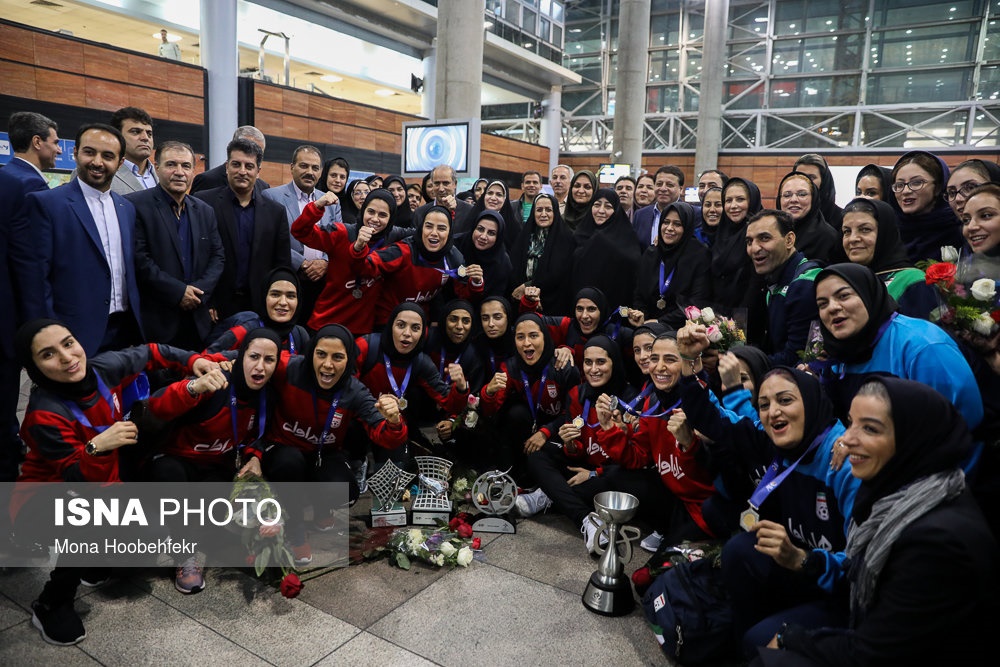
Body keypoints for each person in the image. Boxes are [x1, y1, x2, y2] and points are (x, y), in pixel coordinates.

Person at [757, 377, 998, 666]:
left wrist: (789, 638)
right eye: (850, 423)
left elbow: (872, 653)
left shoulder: (937, 541)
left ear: (912, 439)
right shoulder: (895, 492)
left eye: (870, 428)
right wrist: (807, 562)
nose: (845, 440)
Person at [12, 318, 210, 645]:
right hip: (42, 500)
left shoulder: (103, 367)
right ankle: (52, 601)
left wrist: (194, 360)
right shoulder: (43, 413)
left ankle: (93, 560)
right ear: (33, 367)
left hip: (99, 479)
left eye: (68, 342)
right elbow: (76, 478)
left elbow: (153, 351)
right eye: (48, 354)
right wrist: (97, 446)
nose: (66, 357)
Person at [675, 328, 860, 657]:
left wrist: (803, 560)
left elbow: (862, 569)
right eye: (764, 404)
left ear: (813, 401)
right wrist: (690, 361)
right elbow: (711, 416)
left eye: (786, 400)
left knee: (759, 639)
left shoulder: (844, 462)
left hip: (841, 595)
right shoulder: (773, 437)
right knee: (740, 550)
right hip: (799, 567)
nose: (773, 411)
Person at [145, 329, 281, 594]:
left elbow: (262, 435)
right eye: (253, 357)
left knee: (217, 501)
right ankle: (184, 555)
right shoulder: (216, 380)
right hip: (174, 460)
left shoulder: (267, 395)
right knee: (169, 477)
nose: (260, 367)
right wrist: (192, 388)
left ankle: (198, 536)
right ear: (240, 357)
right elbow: (156, 406)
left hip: (216, 464)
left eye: (269, 360)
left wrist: (255, 456)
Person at [262, 324, 408, 563]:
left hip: (321, 454)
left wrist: (394, 422)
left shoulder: (355, 390)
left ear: (348, 360)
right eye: (321, 354)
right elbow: (252, 355)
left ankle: (320, 507)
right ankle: (295, 529)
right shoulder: (289, 367)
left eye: (337, 357)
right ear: (311, 354)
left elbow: (386, 436)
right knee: (289, 463)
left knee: (345, 489)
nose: (328, 364)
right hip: (281, 451)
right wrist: (209, 361)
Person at [812, 263, 983, 434]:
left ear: (869, 294)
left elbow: (960, 421)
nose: (832, 308)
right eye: (822, 304)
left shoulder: (923, 345)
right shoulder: (839, 355)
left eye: (843, 296)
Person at [23, 123, 144, 355]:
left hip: (125, 330)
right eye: (90, 152)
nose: (97, 162)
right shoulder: (47, 204)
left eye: (108, 156)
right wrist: (51, 332)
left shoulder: (126, 207)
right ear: (76, 152)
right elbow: (36, 279)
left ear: (119, 163)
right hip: (73, 332)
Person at [595, 332, 718, 551]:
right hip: (673, 495)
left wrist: (690, 443)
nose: (659, 367)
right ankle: (664, 528)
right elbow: (637, 457)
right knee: (613, 476)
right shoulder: (653, 402)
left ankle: (686, 537)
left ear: (686, 365)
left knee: (646, 578)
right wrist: (608, 428)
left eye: (670, 360)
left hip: (701, 505)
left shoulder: (701, 403)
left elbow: (711, 470)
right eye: (655, 358)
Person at [516, 336, 630, 539]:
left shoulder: (630, 398)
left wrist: (594, 474)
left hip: (609, 473)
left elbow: (633, 459)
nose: (593, 369)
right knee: (536, 455)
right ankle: (586, 518)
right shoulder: (578, 393)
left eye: (601, 362)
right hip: (582, 464)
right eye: (588, 362)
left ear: (615, 362)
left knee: (611, 484)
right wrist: (569, 443)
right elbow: (577, 451)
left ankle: (551, 494)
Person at [0, 111, 60, 481]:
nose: (57, 149)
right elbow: (31, 263)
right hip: (12, 315)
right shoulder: (30, 187)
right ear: (37, 142)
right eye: (54, 141)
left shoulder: (4, 178)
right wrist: (41, 326)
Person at [130, 140, 225, 350]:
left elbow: (217, 257)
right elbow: (139, 259)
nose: (179, 172)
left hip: (197, 319)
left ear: (193, 171)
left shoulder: (205, 210)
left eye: (186, 166)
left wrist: (198, 292)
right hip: (157, 320)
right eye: (171, 164)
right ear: (156, 167)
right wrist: (178, 292)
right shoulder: (135, 205)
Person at [193, 137, 292, 321]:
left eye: (249, 166)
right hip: (215, 307)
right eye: (236, 164)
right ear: (226, 167)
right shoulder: (204, 203)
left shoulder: (275, 212)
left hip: (259, 305)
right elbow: (198, 257)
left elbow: (281, 264)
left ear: (258, 171)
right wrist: (207, 299)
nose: (242, 171)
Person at [479, 313, 580, 482]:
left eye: (533, 335)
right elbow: (490, 412)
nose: (527, 343)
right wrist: (488, 392)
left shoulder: (563, 367)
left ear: (545, 337)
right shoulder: (511, 367)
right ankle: (510, 477)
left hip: (559, 431)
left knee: (543, 458)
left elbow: (574, 415)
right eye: (520, 337)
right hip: (529, 427)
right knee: (515, 414)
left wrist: (546, 432)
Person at [351, 204, 484, 327]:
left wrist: (476, 282)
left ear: (449, 232)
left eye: (442, 228)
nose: (434, 233)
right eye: (429, 226)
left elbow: (465, 296)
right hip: (387, 323)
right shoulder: (402, 251)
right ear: (421, 228)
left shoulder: (454, 258)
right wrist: (358, 248)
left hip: (419, 325)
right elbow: (364, 268)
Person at [291, 188, 395, 334]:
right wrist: (317, 206)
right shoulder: (341, 233)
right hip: (326, 323)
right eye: (371, 212)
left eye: (383, 215)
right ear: (363, 210)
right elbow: (299, 231)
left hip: (362, 331)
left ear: (391, 219)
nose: (375, 219)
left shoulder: (393, 246)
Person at [262, 145, 332, 320]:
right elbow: (271, 241)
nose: (310, 172)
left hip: (323, 282)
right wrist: (303, 264)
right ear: (291, 167)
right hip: (289, 279)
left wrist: (324, 262)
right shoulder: (271, 196)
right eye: (304, 166)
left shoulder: (331, 201)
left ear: (321, 172)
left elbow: (337, 240)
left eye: (315, 168)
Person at [744, 210, 822, 365]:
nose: (754, 248)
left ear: (789, 240)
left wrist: (744, 363)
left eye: (764, 238)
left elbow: (797, 357)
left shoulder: (804, 283)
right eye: (749, 241)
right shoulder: (776, 281)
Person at [838, 197, 936, 318]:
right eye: (847, 231)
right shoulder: (845, 281)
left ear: (885, 233)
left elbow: (923, 334)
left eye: (865, 230)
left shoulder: (913, 281)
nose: (853, 239)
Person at [633, 200, 711, 328]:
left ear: (687, 227)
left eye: (677, 224)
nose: (669, 228)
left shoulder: (699, 255)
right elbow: (639, 293)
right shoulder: (652, 252)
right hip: (647, 325)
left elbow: (696, 302)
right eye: (665, 222)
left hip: (681, 328)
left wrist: (659, 323)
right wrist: (642, 315)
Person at [206, 268, 310, 361]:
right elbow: (203, 361)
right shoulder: (243, 331)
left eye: (290, 296)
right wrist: (221, 366)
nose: (283, 302)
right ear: (264, 297)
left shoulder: (299, 335)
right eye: (275, 294)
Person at [571, 188, 643, 310]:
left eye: (608, 207)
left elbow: (632, 268)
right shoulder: (580, 234)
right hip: (581, 308)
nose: (601, 211)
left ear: (616, 210)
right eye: (597, 205)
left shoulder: (626, 237)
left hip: (614, 310)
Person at [509, 193, 577, 316]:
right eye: (539, 210)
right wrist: (523, 292)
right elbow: (513, 266)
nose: (543, 214)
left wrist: (529, 287)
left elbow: (558, 272)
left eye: (548, 210)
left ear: (555, 212)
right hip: (522, 302)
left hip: (552, 303)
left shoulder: (566, 238)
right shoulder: (524, 235)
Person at [891, 150, 959, 262]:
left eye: (917, 182)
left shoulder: (958, 229)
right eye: (899, 185)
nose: (906, 191)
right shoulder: (889, 231)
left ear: (938, 187)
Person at [711, 177, 763, 311]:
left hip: (748, 313)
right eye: (728, 200)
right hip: (718, 314)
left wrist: (738, 321)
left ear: (752, 201)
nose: (733, 206)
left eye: (740, 199)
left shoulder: (760, 234)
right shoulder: (720, 232)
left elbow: (756, 283)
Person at [776, 171, 841, 265]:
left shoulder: (827, 237)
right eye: (787, 195)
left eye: (802, 194)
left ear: (813, 198)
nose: (794, 200)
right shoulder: (772, 231)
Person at [190, 126, 270, 194]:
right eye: (246, 148)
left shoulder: (264, 187)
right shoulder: (207, 180)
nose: (252, 153)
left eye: (258, 152)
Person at [456, 210, 512, 299]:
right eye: (480, 229)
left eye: (491, 233)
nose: (483, 236)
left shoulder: (503, 263)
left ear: (498, 238)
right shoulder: (456, 245)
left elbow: (496, 299)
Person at [108, 107, 157, 195]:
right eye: (135, 132)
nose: (145, 138)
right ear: (117, 137)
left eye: (149, 133)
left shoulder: (162, 174)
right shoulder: (104, 174)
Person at [633, 165, 685, 246]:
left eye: (669, 185)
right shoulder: (640, 215)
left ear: (681, 189)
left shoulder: (693, 214)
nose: (663, 189)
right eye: (659, 184)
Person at [413, 165, 474, 234]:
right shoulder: (420, 213)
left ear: (455, 184)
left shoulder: (469, 211)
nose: (441, 189)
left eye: (446, 183)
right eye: (437, 183)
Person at [465, 179, 522, 251]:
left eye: (499, 194)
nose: (493, 198)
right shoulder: (471, 218)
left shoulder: (513, 227)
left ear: (505, 199)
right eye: (490, 193)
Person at [793, 154, 842, 230]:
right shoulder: (786, 216)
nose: (805, 181)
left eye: (811, 177)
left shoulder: (841, 218)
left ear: (824, 181)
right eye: (800, 176)